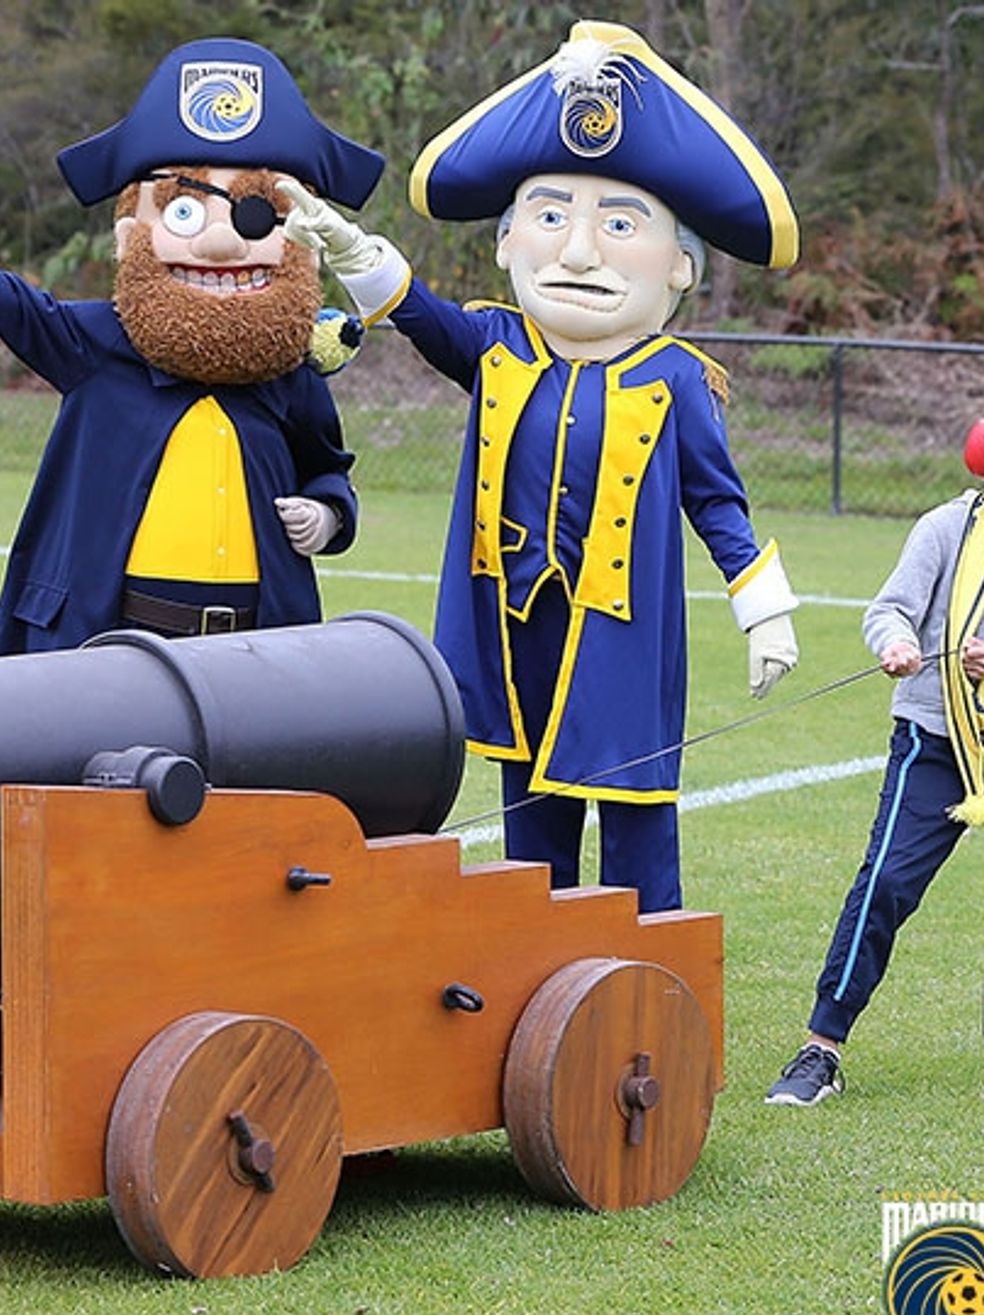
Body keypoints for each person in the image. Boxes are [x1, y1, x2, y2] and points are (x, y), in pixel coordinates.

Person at [279, 19, 800, 912]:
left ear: (680, 266)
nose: (579, 251)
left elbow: (718, 504)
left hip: (620, 634)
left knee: (634, 803)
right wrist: (350, 246)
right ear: (507, 240)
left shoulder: (675, 377)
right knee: (531, 810)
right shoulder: (497, 343)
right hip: (513, 623)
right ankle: (538, 958)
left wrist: (765, 611)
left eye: (620, 224)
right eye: (551, 217)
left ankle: (646, 961)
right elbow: (417, 312)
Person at [0, 36, 384, 655]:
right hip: (116, 641)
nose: (222, 245)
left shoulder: (289, 371)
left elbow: (327, 469)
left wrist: (327, 515)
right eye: (186, 214)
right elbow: (4, 299)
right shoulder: (96, 345)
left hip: (255, 649)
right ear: (127, 234)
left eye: (254, 217)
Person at [766, 437, 984, 1106]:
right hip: (936, 740)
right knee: (886, 882)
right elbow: (889, 610)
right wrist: (899, 642)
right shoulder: (946, 529)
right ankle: (821, 1048)